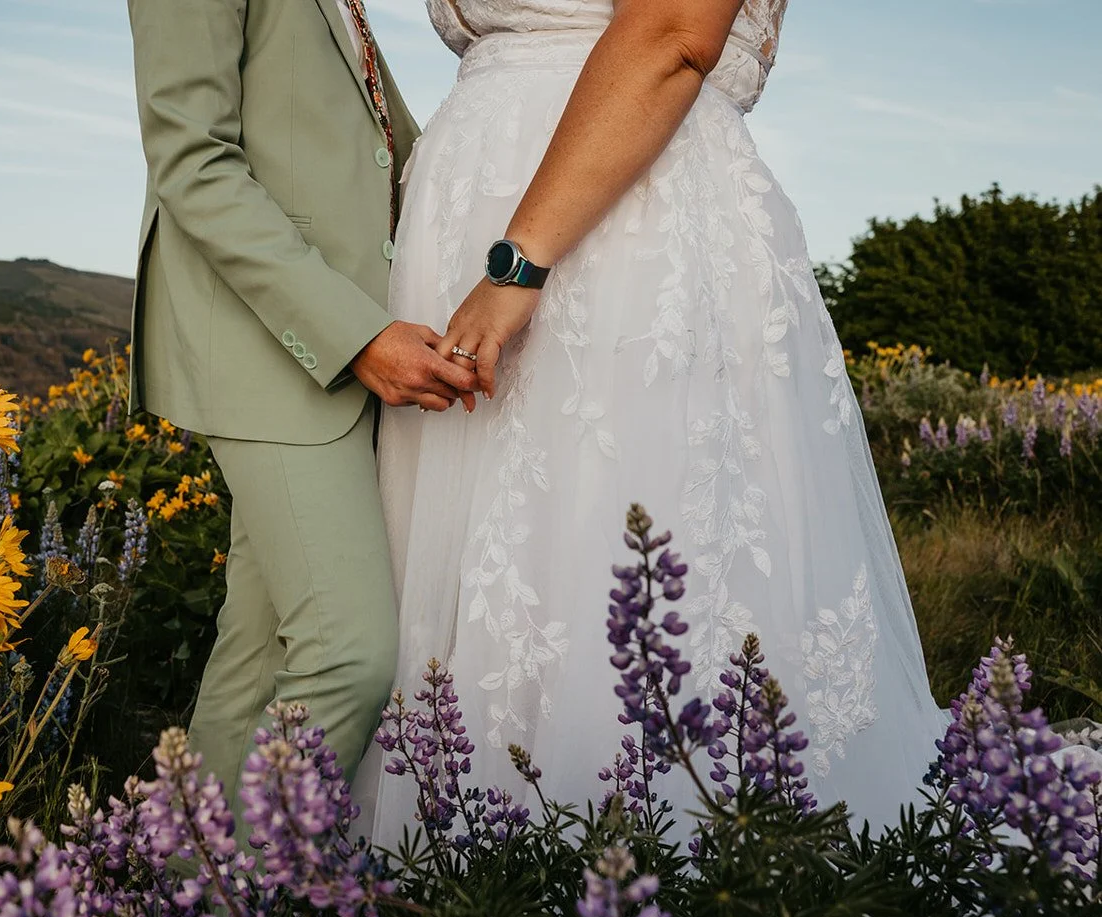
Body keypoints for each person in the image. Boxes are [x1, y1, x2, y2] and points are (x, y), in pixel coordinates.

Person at [352, 0, 953, 839]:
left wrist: (518, 265)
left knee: (618, 556)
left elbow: (674, 28)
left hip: (609, 227)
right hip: (499, 212)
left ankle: (631, 876)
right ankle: (466, 873)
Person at [126, 0, 477, 812]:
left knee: (253, 664)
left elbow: (372, 144)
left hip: (320, 335)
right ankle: (252, 910)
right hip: (269, 339)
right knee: (346, 656)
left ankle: (180, 910)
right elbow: (190, 160)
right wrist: (356, 335)